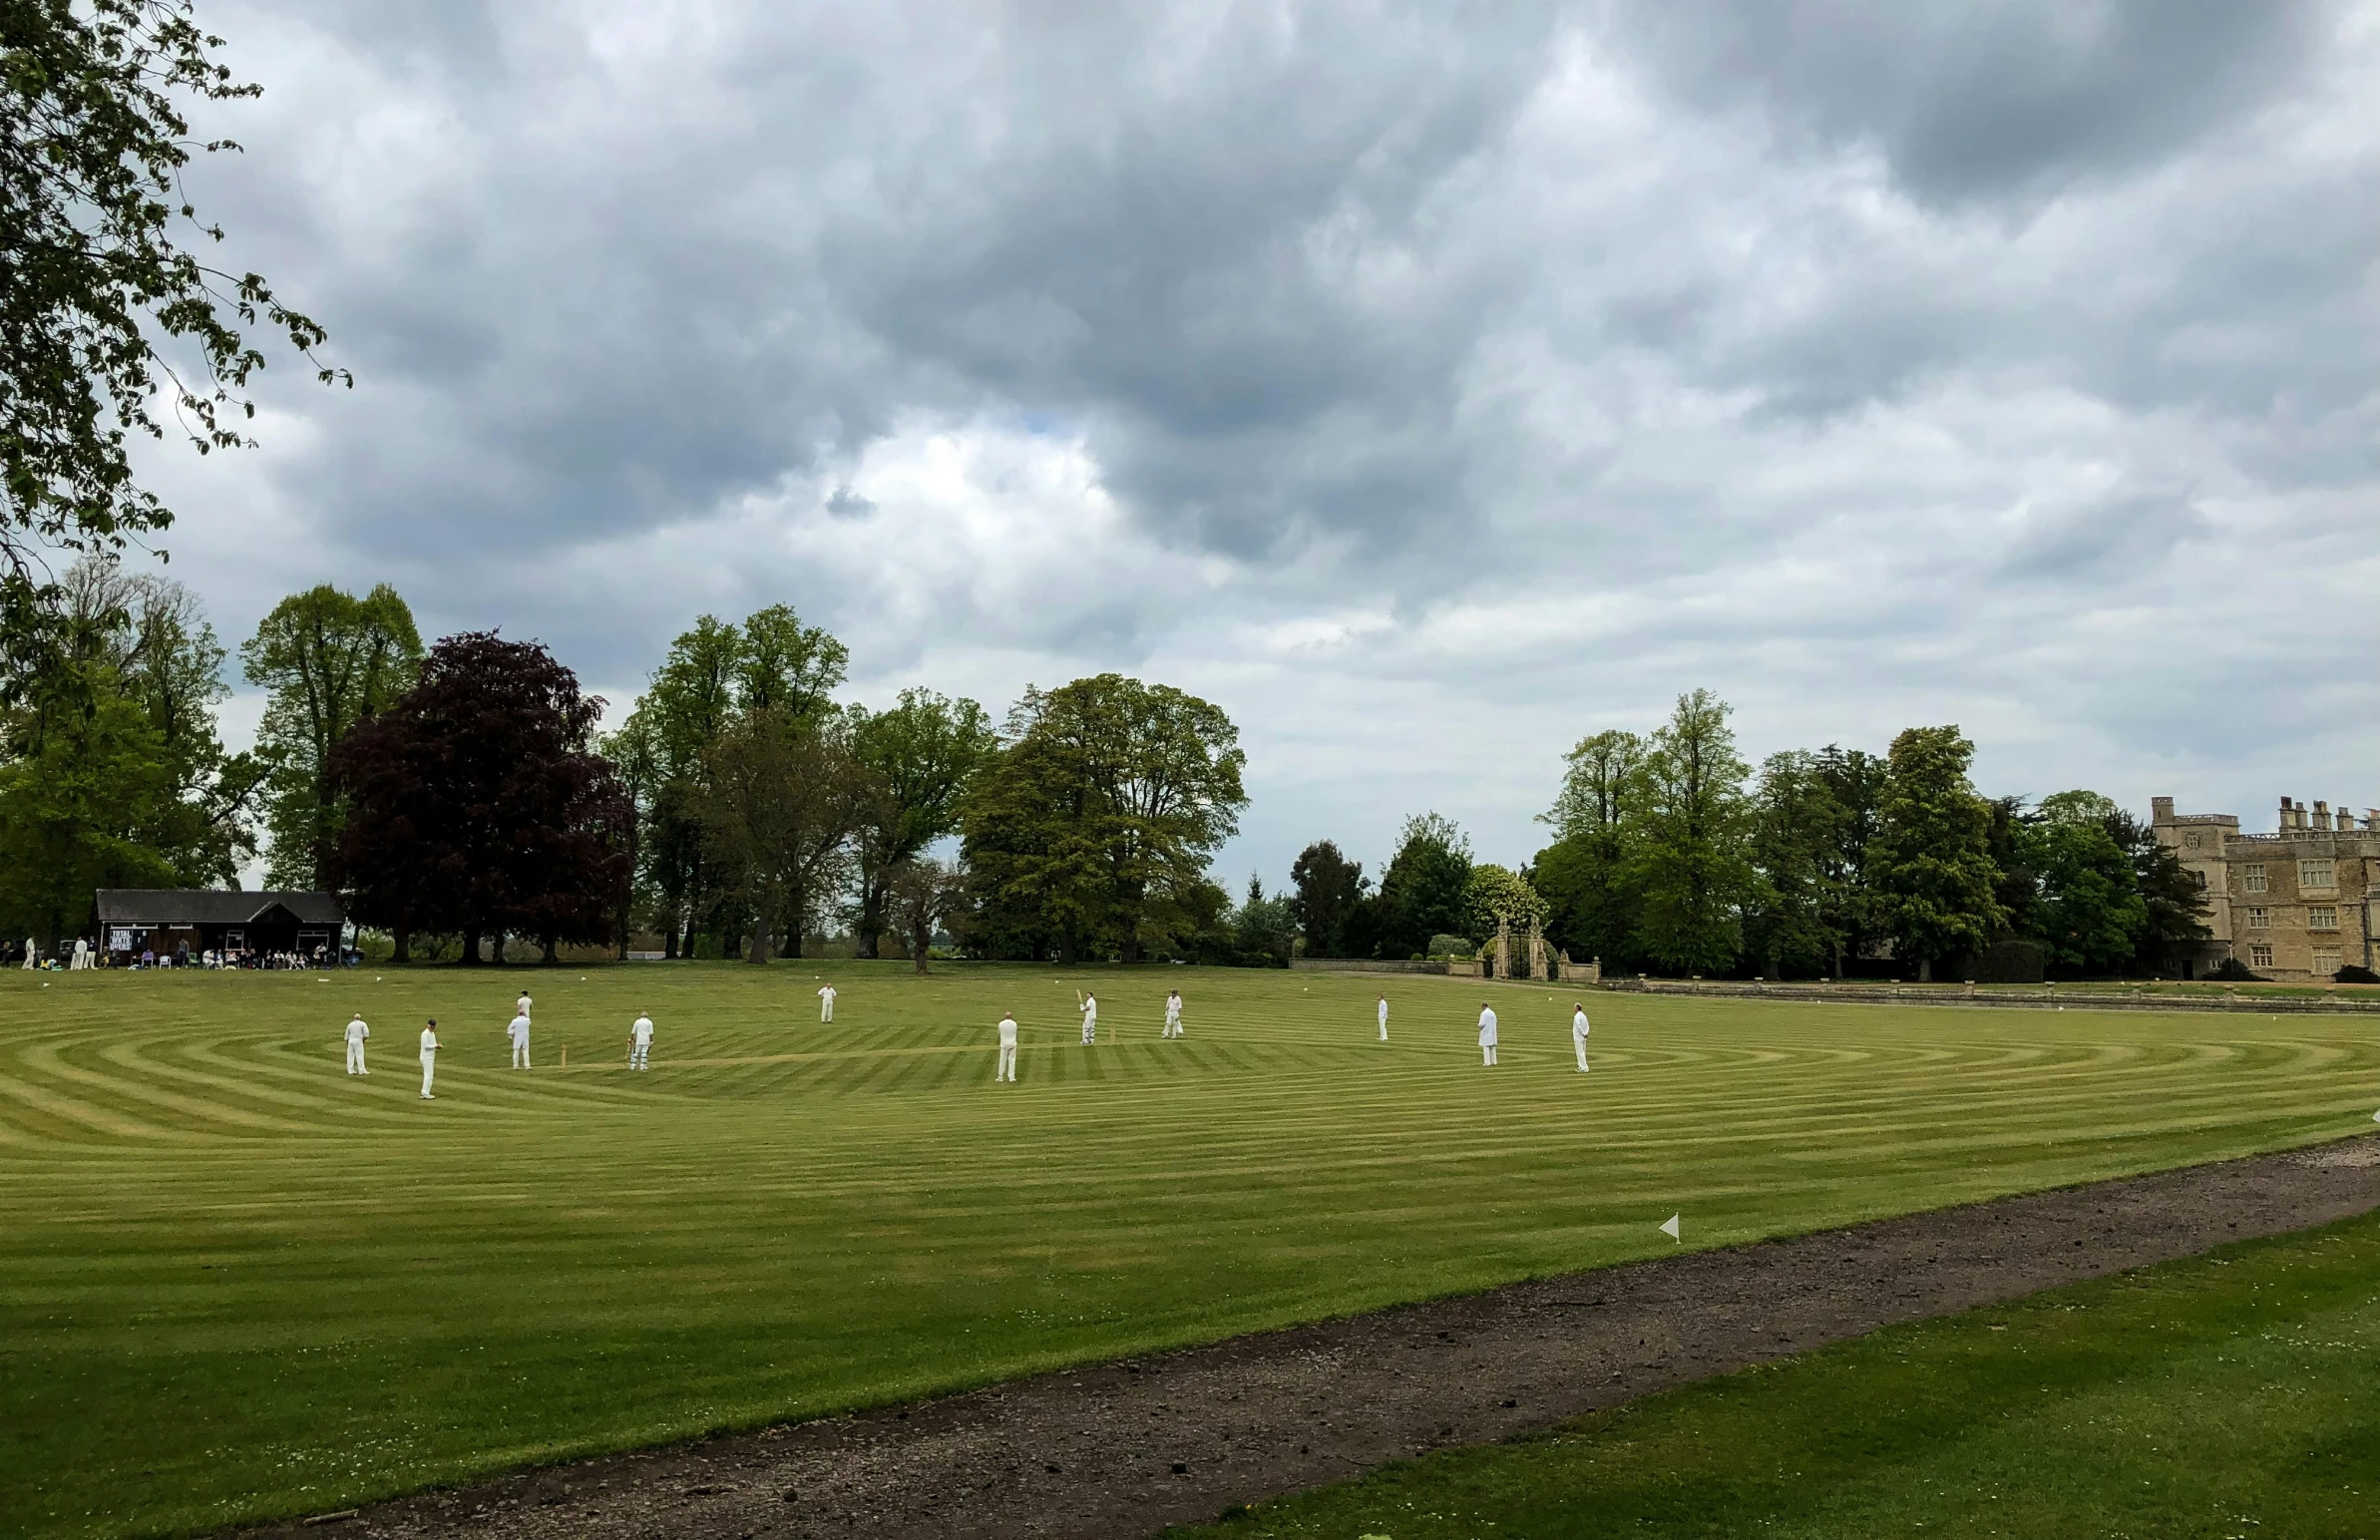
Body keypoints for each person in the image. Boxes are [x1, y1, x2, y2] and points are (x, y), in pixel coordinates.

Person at [419, 1019, 441, 1099]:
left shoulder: (432, 1034)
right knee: (429, 1075)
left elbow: (432, 1044)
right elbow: (426, 1046)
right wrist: (435, 1046)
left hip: (430, 1057)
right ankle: (425, 1092)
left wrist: (437, 1046)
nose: (432, 1027)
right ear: (428, 1025)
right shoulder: (425, 1034)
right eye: (431, 1025)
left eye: (433, 1026)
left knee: (429, 1075)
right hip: (426, 1057)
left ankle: (425, 1092)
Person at [995, 1010, 1018, 1082]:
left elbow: (999, 1032)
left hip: (1004, 1044)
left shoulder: (1001, 1024)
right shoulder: (1014, 1024)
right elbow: (1015, 1032)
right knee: (1012, 1060)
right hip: (1012, 1043)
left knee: (1002, 1060)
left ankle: (1000, 1077)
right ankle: (1011, 1077)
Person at [1571, 1001, 1591, 1073]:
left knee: (1580, 1052)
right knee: (1582, 1052)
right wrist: (1586, 1033)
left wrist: (1583, 1033)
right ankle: (1581, 1066)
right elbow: (1587, 1025)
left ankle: (1584, 1067)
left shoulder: (1577, 1016)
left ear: (1576, 1008)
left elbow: (1578, 1026)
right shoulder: (1584, 1016)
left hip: (1579, 1037)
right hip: (1583, 1037)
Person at [1477, 1000, 1498, 1066]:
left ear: (1483, 1006)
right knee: (1492, 1047)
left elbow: (1482, 1023)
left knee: (1486, 1047)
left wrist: (1479, 1026)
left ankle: (1487, 1062)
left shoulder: (1484, 1013)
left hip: (1486, 1031)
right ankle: (1494, 1061)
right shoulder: (1493, 1013)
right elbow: (1496, 1021)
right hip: (1492, 1032)